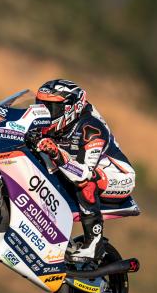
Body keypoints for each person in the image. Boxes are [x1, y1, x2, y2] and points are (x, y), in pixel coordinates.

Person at [34, 79, 136, 263]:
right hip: (78, 167)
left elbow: (82, 175)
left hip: (117, 176)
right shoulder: (53, 125)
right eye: (40, 105)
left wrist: (56, 153)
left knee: (88, 182)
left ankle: (94, 244)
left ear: (69, 108)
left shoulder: (91, 128)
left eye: (50, 107)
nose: (44, 112)